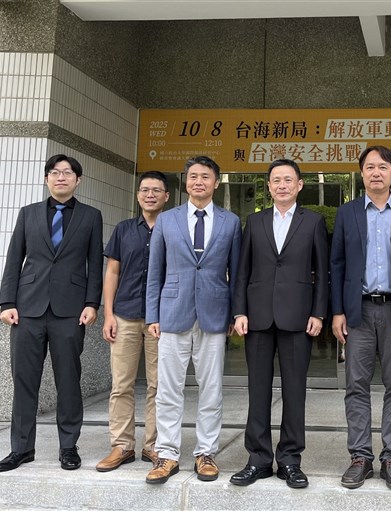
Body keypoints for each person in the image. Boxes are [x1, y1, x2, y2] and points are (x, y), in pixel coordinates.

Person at [0, 154, 103, 472]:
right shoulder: (28, 214)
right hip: (27, 309)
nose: (60, 177)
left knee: (68, 380)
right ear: (46, 179)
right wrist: (7, 303)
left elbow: (95, 264)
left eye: (67, 173)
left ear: (77, 180)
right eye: (54, 172)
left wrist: (91, 304)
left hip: (70, 312)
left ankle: (68, 447)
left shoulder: (90, 216)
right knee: (24, 380)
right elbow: (14, 258)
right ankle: (21, 449)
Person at [330, 145, 391, 491]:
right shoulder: (348, 212)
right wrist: (338, 311)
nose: (376, 173)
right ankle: (360, 457)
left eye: (382, 167)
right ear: (361, 174)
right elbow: (337, 264)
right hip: (357, 312)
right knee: (355, 385)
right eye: (369, 167)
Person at [229, 159, 329, 489]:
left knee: (294, 391)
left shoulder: (313, 221)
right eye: (276, 180)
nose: (282, 185)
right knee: (257, 390)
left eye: (288, 179)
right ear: (269, 187)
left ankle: (289, 459)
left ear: (300, 185)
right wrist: (239, 311)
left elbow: (322, 273)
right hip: (257, 317)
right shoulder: (254, 221)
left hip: (298, 317)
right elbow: (242, 271)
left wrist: (318, 313)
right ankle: (258, 458)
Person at [144, 156, 241, 484]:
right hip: (172, 313)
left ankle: (206, 452)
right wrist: (152, 315)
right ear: (185, 182)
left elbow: (237, 273)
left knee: (211, 388)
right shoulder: (167, 220)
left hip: (214, 314)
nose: (199, 181)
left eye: (206, 176)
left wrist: (234, 312)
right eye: (193, 176)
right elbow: (155, 271)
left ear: (216, 182)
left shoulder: (231, 222)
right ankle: (167, 454)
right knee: (167, 389)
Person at [96, 171, 170, 472]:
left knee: (159, 385)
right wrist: (108, 314)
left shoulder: (173, 228)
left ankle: (153, 445)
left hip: (161, 320)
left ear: (166, 196)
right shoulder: (124, 229)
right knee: (121, 384)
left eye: (156, 190)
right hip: (124, 315)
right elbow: (112, 273)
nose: (150, 194)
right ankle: (122, 445)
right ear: (138, 195)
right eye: (144, 190)